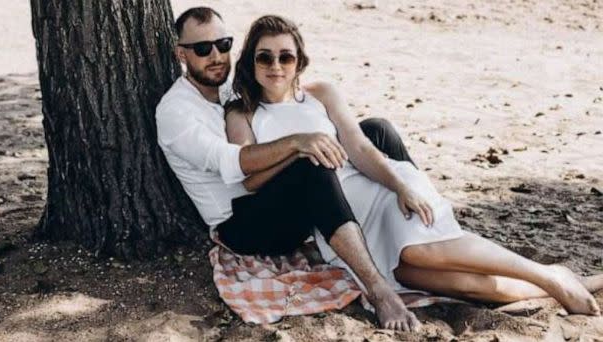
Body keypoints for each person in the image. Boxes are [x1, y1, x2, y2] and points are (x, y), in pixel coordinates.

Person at [224, 14, 603, 330]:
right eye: (265, 57)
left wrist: (400, 185)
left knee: (423, 252)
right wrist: (298, 145)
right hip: (341, 222)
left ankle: (548, 276)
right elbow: (251, 179)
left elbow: (359, 147)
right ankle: (560, 281)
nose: (275, 66)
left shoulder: (320, 92)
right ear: (250, 61)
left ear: (299, 63)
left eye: (285, 57)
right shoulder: (242, 113)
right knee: (443, 281)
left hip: (375, 190)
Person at [156, 7, 429, 331]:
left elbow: (283, 99)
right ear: (181, 54)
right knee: (310, 164)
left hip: (278, 189)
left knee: (376, 131)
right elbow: (231, 161)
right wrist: (297, 142)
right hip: (241, 223)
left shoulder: (231, 86)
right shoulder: (176, 112)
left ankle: (430, 222)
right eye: (202, 49)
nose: (216, 56)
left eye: (224, 44)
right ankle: (380, 290)